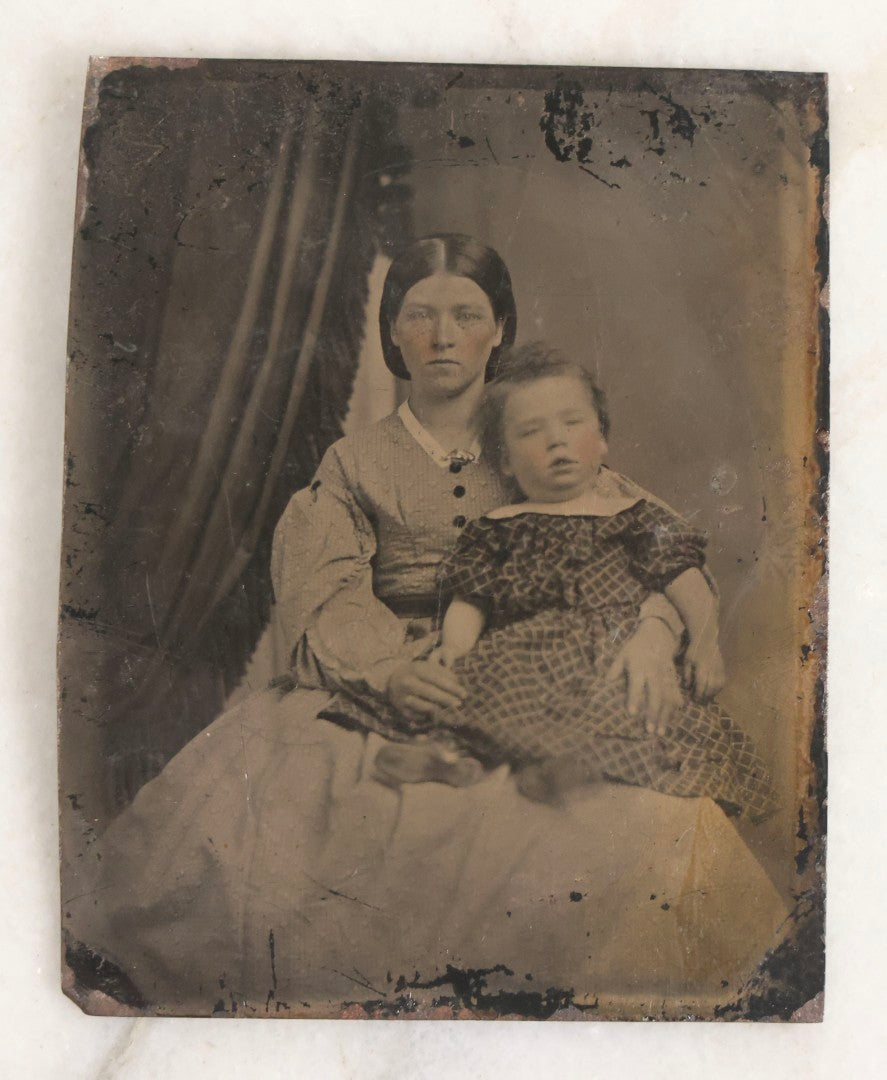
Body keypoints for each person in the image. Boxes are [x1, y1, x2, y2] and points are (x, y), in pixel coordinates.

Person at [65, 234, 789, 1017]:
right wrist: (389, 668)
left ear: (500, 329)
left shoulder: (539, 434)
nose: (443, 337)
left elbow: (652, 542)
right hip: (382, 677)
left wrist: (652, 632)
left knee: (644, 829)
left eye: (466, 315)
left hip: (545, 685)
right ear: (391, 332)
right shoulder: (353, 461)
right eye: (419, 316)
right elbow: (326, 586)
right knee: (286, 827)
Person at [359, 344, 776, 822]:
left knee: (632, 704)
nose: (555, 442)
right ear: (507, 463)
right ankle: (450, 756)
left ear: (601, 441)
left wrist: (706, 646)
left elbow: (686, 584)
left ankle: (574, 767)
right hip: (523, 650)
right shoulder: (498, 526)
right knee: (471, 689)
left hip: (609, 650)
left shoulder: (632, 518)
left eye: (572, 424)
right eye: (531, 432)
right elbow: (471, 596)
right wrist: (456, 645)